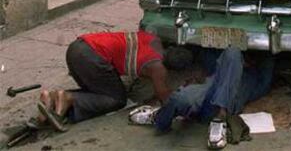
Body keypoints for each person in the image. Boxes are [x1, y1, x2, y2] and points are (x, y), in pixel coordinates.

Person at [131, 47, 275, 149]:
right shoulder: (224, 68)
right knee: (179, 99)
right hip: (204, 96)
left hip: (221, 104)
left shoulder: (255, 78)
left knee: (233, 52)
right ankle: (160, 117)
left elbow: (267, 61)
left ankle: (219, 118)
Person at [35, 30, 172, 133]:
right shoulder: (157, 65)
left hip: (77, 47)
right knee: (116, 99)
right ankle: (68, 98)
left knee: (98, 91)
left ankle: (51, 98)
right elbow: (164, 97)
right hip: (92, 56)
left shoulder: (151, 37)